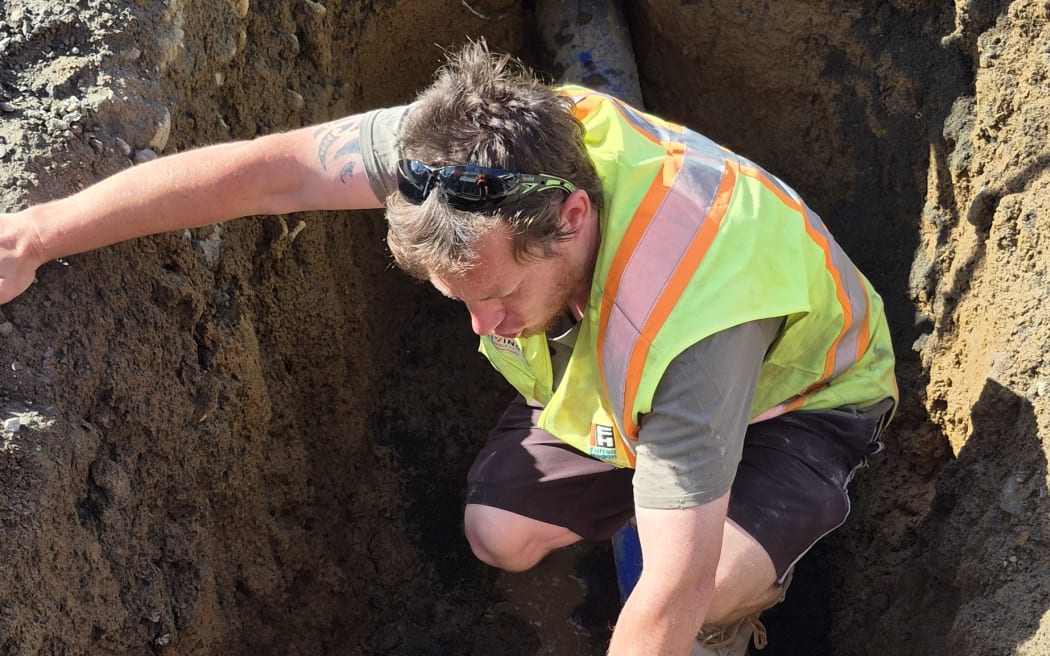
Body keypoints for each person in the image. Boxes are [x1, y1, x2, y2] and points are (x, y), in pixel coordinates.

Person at [0, 41, 897, 655]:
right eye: (460, 301)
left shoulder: (694, 322)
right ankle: (646, 494)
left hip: (793, 402)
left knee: (698, 586)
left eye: (499, 295)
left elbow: (668, 593)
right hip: (611, 364)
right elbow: (268, 173)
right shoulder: (461, 158)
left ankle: (739, 614)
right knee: (497, 534)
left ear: (569, 219)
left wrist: (670, 599)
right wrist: (36, 234)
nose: (484, 328)